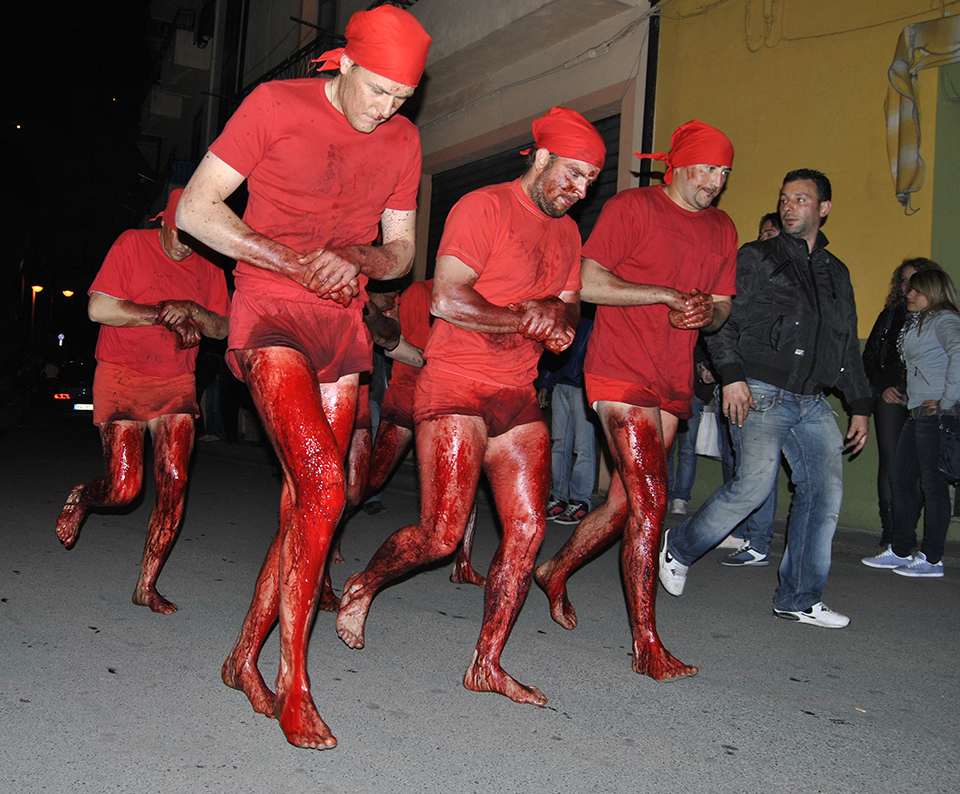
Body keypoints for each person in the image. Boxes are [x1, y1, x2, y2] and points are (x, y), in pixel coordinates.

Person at [175, 4, 431, 750]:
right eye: (377, 89)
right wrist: (290, 259)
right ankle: (295, 683)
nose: (386, 109)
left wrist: (357, 258)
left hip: (341, 325)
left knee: (311, 503)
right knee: (325, 486)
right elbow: (197, 208)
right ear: (345, 63)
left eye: (400, 98)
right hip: (271, 313)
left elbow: (403, 251)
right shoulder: (273, 105)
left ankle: (241, 659)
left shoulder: (404, 140)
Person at [336, 107, 607, 706]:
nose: (579, 188)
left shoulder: (567, 234)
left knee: (530, 529)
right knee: (439, 535)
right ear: (541, 158)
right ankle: (363, 583)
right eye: (573, 173)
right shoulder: (483, 207)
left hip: (517, 393)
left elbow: (568, 308)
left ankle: (486, 663)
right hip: (455, 384)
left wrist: (558, 322)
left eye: (590, 179)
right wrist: (525, 316)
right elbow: (449, 302)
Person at [535, 119, 737, 680]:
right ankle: (646, 642)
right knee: (652, 498)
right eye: (707, 169)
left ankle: (555, 569)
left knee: (626, 505)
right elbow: (590, 282)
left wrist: (705, 312)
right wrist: (668, 294)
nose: (715, 182)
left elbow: (722, 305)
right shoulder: (633, 208)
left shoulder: (722, 227)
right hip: (619, 370)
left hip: (670, 377)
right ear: (679, 165)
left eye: (724, 172)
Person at [660, 169, 871, 630]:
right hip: (759, 390)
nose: (789, 206)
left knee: (824, 492)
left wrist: (860, 404)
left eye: (801, 199)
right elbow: (720, 321)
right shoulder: (756, 257)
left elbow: (846, 342)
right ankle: (679, 547)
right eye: (784, 198)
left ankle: (798, 597)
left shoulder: (837, 273)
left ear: (823, 209)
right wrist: (731, 377)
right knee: (753, 487)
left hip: (812, 399)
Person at [55, 188, 230, 615]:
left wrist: (190, 309)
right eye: (179, 234)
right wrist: (161, 313)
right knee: (123, 489)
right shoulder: (131, 244)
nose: (185, 245)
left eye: (195, 237)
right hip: (121, 376)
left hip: (176, 382)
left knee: (174, 485)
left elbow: (223, 329)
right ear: (164, 221)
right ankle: (84, 496)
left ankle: (146, 585)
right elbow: (99, 308)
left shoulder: (209, 267)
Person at [862, 267, 960, 578]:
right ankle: (901, 548)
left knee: (932, 487)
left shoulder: (945, 320)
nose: (909, 294)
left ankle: (931, 558)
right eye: (909, 289)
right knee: (900, 479)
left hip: (935, 416)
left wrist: (947, 402)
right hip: (917, 413)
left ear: (934, 292)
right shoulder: (920, 322)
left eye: (917, 290)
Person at [715, 211, 784, 563]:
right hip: (736, 377)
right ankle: (744, 531)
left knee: (757, 466)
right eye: (761, 233)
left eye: (771, 234)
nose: (763, 240)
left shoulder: (786, 282)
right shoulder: (748, 270)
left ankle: (758, 540)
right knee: (738, 459)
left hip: (763, 383)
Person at [861, 258, 941, 545]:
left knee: (921, 465)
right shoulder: (891, 316)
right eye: (905, 281)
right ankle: (892, 528)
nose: (909, 287)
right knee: (892, 460)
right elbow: (869, 357)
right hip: (892, 394)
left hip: (925, 397)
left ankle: (908, 528)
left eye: (916, 280)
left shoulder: (941, 319)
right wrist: (883, 386)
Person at [538, 315, 598, 526]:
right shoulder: (567, 312)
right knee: (559, 443)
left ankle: (580, 500)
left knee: (583, 446)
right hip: (561, 382)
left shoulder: (596, 314)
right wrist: (546, 381)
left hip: (583, 386)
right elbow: (553, 348)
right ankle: (558, 496)